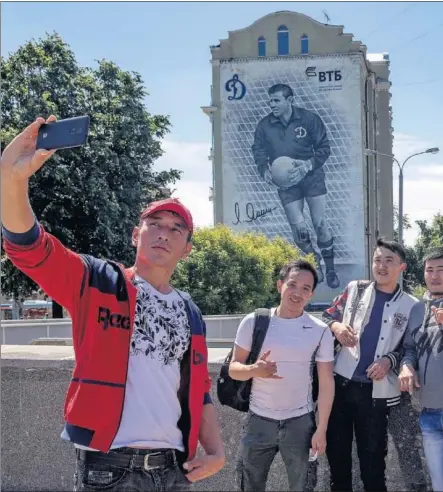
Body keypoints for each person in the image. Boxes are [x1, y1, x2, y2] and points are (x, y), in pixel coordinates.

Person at [1, 116, 225, 492]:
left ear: (187, 249)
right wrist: (11, 180)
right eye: (155, 223)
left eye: (176, 229)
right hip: (110, 467)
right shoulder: (99, 281)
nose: (164, 234)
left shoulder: (190, 311)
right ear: (137, 234)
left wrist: (216, 450)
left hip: (174, 469)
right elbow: (31, 248)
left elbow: (199, 386)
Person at [229, 259, 335, 491]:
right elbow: (233, 369)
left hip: (300, 422)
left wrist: (322, 428)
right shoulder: (254, 321)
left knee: (303, 485)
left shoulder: (320, 331)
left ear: (311, 294)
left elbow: (327, 383)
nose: (297, 293)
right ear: (280, 286)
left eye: (305, 289)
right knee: (249, 485)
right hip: (258, 420)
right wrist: (254, 370)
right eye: (292, 285)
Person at [322, 238, 419, 491]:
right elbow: (328, 314)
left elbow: (410, 347)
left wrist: (389, 360)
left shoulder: (412, 306)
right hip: (340, 385)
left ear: (402, 267)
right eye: (377, 260)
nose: (382, 266)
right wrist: (337, 326)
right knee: (337, 458)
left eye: (389, 261)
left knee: (373, 462)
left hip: (375, 395)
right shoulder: (355, 288)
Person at [252, 83, 339, 289]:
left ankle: (331, 267)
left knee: (319, 223)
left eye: (276, 100)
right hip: (286, 183)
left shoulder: (309, 119)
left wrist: (308, 165)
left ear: (289, 100)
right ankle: (314, 257)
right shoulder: (264, 125)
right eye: (270, 100)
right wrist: (264, 169)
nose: (272, 104)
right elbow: (258, 150)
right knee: (299, 231)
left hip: (311, 176)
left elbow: (324, 148)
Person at [399, 247, 443, 492]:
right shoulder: (416, 310)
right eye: (430, 270)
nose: (435, 276)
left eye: (441, 270)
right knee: (438, 484)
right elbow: (410, 349)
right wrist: (407, 366)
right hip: (429, 412)